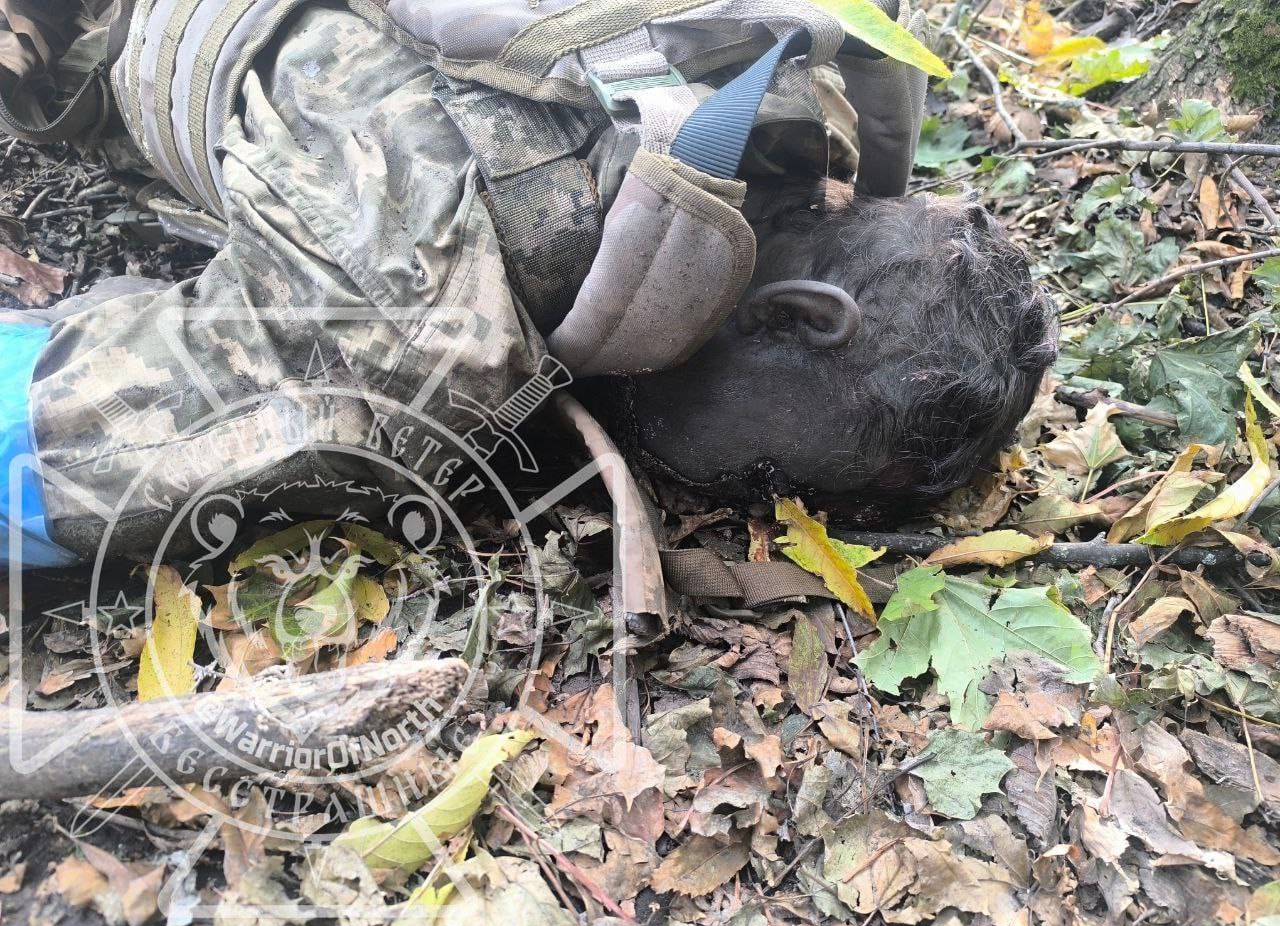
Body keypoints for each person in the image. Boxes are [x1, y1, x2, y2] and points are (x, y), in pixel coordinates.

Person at [0, 0, 1056, 567]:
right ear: (795, 315)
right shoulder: (414, 338)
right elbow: (32, 448)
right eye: (772, 474)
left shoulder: (789, 54)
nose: (749, 500)